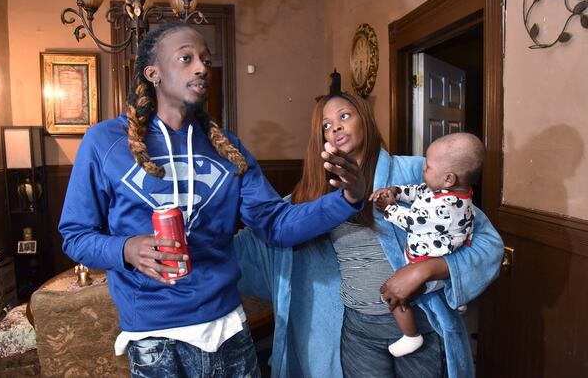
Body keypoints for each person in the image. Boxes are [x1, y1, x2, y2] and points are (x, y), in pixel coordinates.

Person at [58, 22, 366, 378]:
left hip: (228, 329)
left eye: (205, 59)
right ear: (153, 73)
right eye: (186, 59)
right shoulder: (104, 142)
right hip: (153, 337)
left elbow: (277, 225)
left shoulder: (229, 149)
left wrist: (347, 198)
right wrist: (127, 249)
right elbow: (75, 236)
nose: (201, 67)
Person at [235, 89, 503, 378]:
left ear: (364, 120)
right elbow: (258, 241)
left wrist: (426, 270)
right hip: (358, 334)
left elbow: (487, 244)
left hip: (421, 323)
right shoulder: (310, 199)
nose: (335, 126)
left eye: (344, 116)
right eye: (325, 125)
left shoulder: (418, 174)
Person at [369, 132, 485, 357]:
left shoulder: (444, 210)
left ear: (449, 178)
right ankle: (457, 296)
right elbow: (420, 191)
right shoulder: (452, 193)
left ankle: (411, 336)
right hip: (448, 248)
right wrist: (397, 191)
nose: (423, 168)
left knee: (391, 293)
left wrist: (389, 209)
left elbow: (413, 221)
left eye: (428, 166)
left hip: (425, 262)